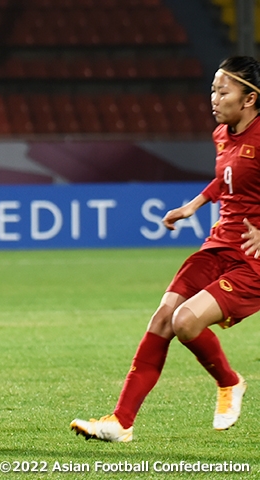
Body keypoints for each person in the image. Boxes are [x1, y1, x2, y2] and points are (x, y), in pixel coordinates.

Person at [70, 55, 260, 442]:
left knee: (186, 321)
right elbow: (227, 179)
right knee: (163, 316)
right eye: (212, 89)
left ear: (249, 99)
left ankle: (230, 382)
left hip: (252, 260)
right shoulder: (222, 134)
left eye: (223, 90)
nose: (213, 97)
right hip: (218, 245)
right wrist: (195, 204)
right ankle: (121, 422)